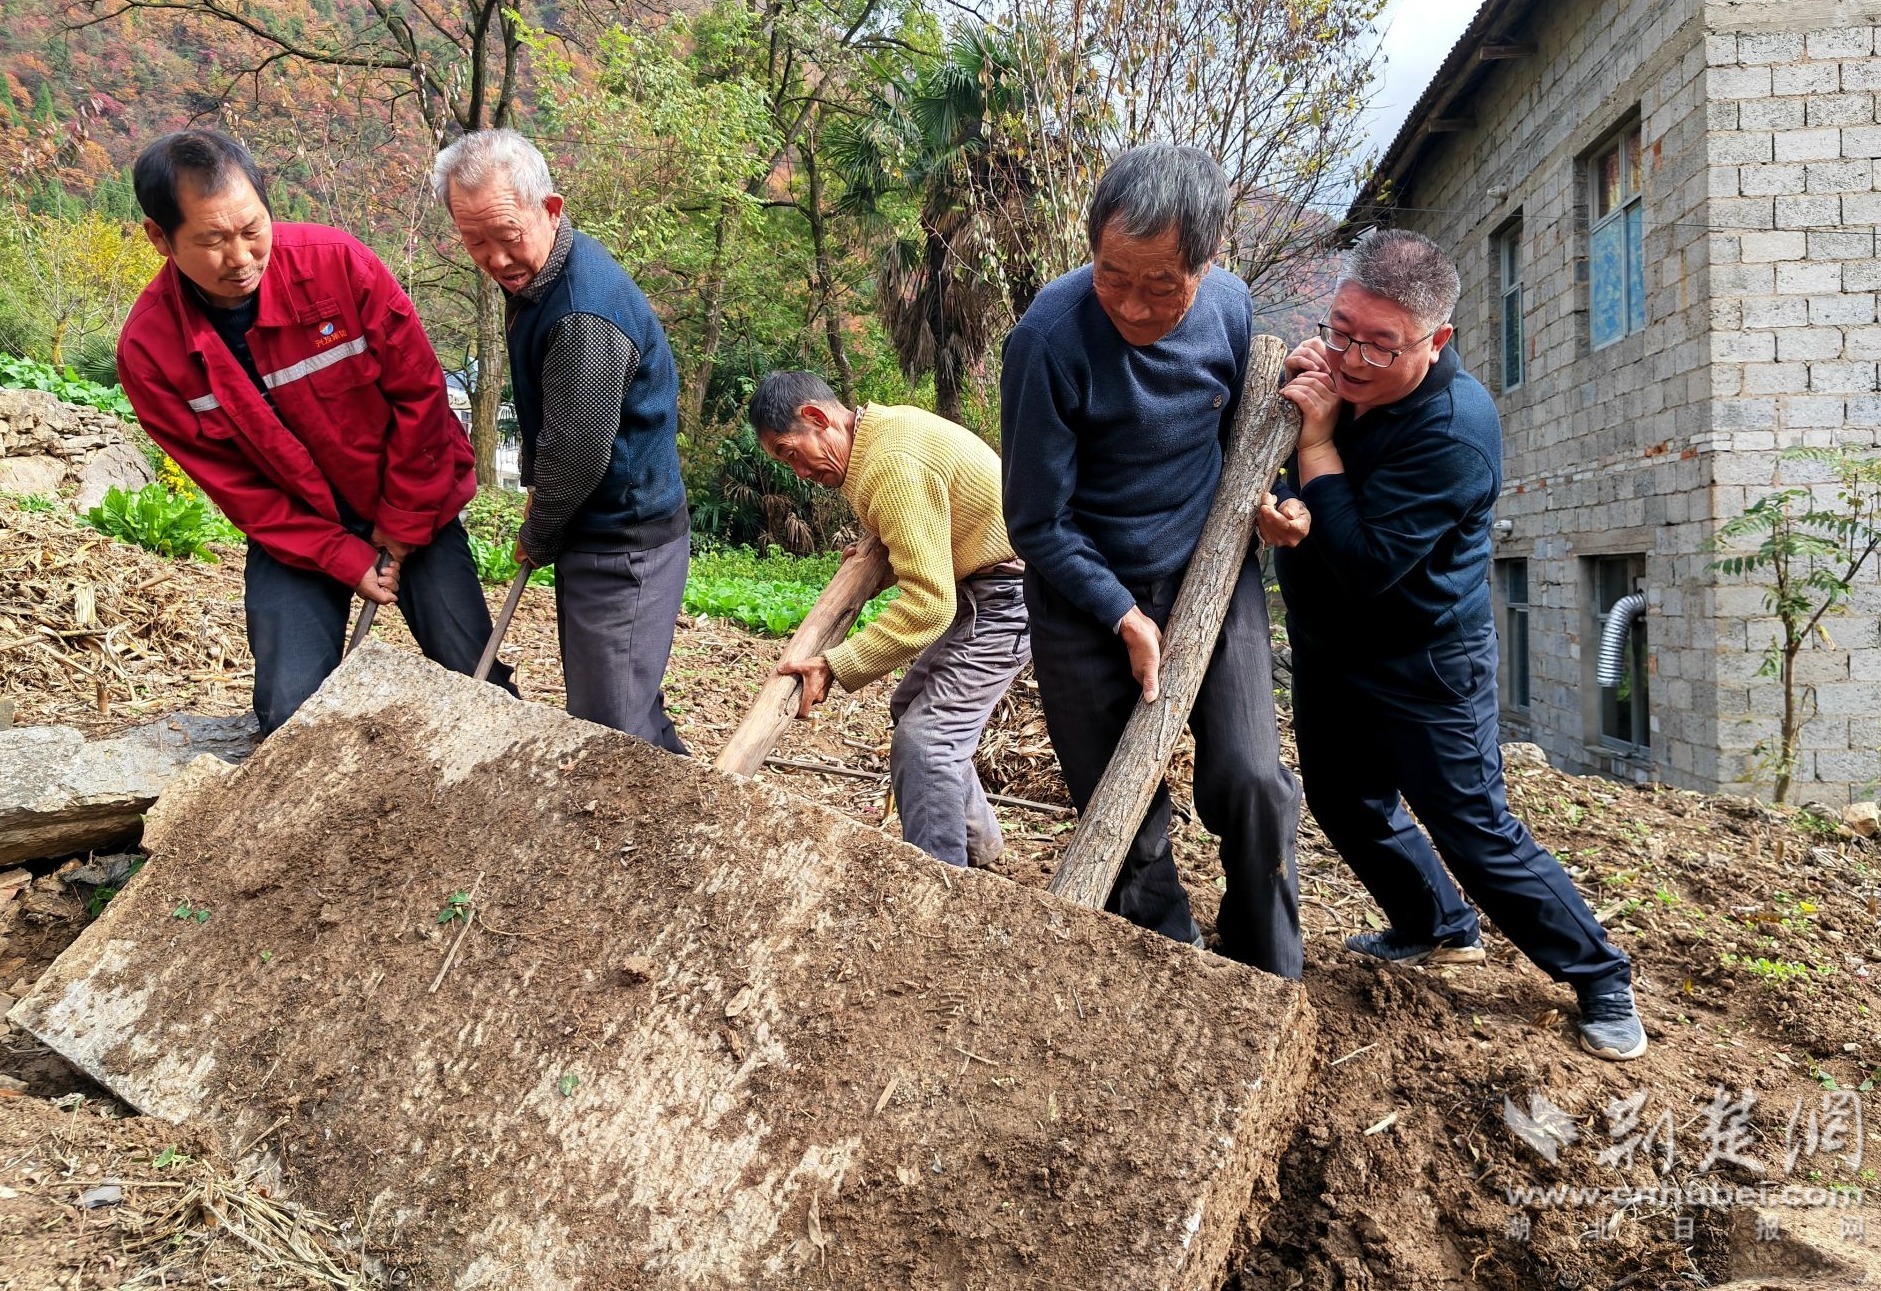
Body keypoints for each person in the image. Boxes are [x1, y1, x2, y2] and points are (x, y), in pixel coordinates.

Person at [1265, 228, 1645, 1061]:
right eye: (1340, 329)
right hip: (1332, 649)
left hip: (1423, 660)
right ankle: (1433, 922)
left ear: (1434, 341)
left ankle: (1598, 974)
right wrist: (1290, 505)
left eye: (1379, 344)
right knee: (1343, 800)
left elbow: (1366, 563)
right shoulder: (1339, 377)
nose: (1353, 357)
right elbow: (1320, 505)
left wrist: (1317, 444)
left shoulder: (1453, 430)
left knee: (1473, 825)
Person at [1000, 143, 1302, 977]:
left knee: (1252, 781)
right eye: (1110, 275)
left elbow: (1252, 437)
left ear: (1206, 264)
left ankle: (1268, 972)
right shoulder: (1048, 339)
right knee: (1121, 808)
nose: (1131, 306)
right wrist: (1120, 613)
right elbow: (1034, 519)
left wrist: (1278, 499)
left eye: (1160, 285)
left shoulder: (1233, 310)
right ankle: (1169, 965)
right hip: (1082, 588)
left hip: (1209, 571)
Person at [116, 130, 513, 737]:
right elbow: (240, 491)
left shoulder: (338, 265)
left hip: (411, 498)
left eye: (252, 229)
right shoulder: (151, 350)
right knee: (289, 714)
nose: (242, 258)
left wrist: (402, 522)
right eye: (213, 241)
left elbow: (421, 396)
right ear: (159, 238)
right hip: (296, 532)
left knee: (474, 678)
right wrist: (340, 555)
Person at [433, 129, 688, 753]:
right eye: (475, 242)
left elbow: (578, 454)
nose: (494, 259)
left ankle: (644, 841)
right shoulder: (539, 277)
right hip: (596, 526)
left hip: (624, 541)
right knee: (623, 700)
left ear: (550, 210)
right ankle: (680, 814)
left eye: (507, 236)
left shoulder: (582, 317)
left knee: (609, 729)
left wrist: (539, 529)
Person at [747, 371, 1030, 868]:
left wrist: (835, 664)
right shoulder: (881, 433)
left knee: (927, 743)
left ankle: (938, 881)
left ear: (817, 418)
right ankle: (978, 847)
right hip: (982, 585)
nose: (798, 472)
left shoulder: (889, 465)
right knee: (911, 704)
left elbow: (929, 605)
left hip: (1009, 595)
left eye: (790, 453)